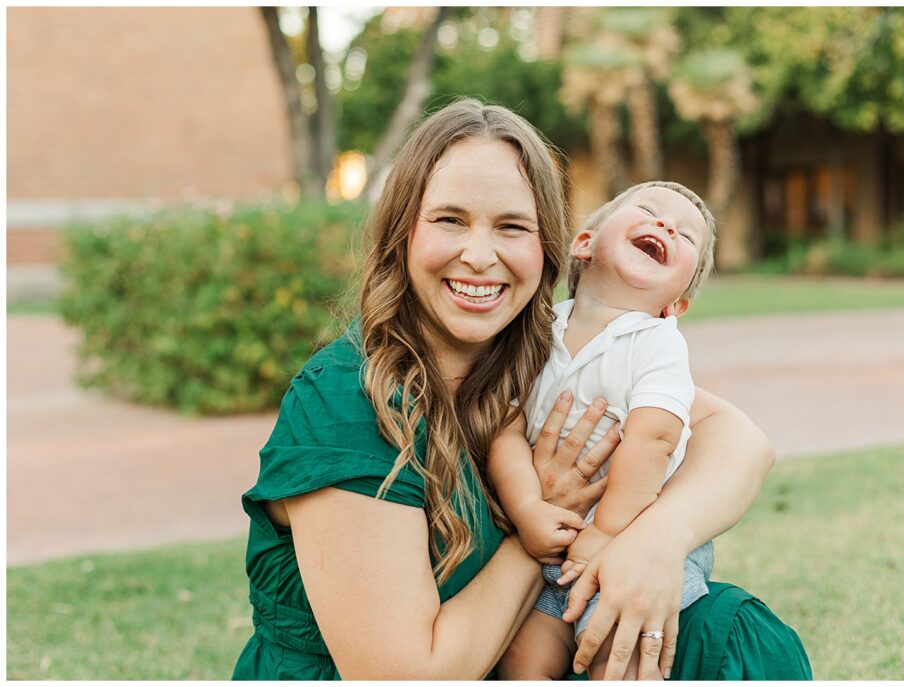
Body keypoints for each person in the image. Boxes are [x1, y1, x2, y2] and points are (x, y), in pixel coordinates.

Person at [231, 99, 812, 680]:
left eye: (512, 226)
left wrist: (657, 539)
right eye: (450, 220)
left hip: (542, 624)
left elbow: (738, 439)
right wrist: (544, 516)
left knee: (732, 634)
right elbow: (408, 676)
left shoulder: (533, 350)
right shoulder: (346, 400)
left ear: (548, 246)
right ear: (402, 232)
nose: (480, 257)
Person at [492, 180, 717, 680]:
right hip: (557, 538)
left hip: (634, 534)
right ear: (585, 244)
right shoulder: (538, 329)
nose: (666, 225)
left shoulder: (658, 344)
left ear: (677, 304)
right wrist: (527, 506)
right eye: (648, 209)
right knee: (522, 660)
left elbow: (653, 440)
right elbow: (505, 427)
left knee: (615, 648)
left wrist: (607, 532)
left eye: (685, 236)